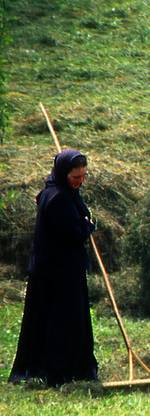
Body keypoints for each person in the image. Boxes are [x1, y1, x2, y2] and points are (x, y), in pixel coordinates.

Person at [9, 149, 99, 387]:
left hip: (62, 269)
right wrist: (88, 227)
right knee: (60, 322)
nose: (79, 182)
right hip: (57, 273)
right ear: (63, 173)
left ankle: (73, 368)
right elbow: (72, 233)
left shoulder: (65, 192)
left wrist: (85, 223)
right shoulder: (57, 198)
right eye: (75, 177)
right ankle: (56, 371)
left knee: (68, 320)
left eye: (83, 176)